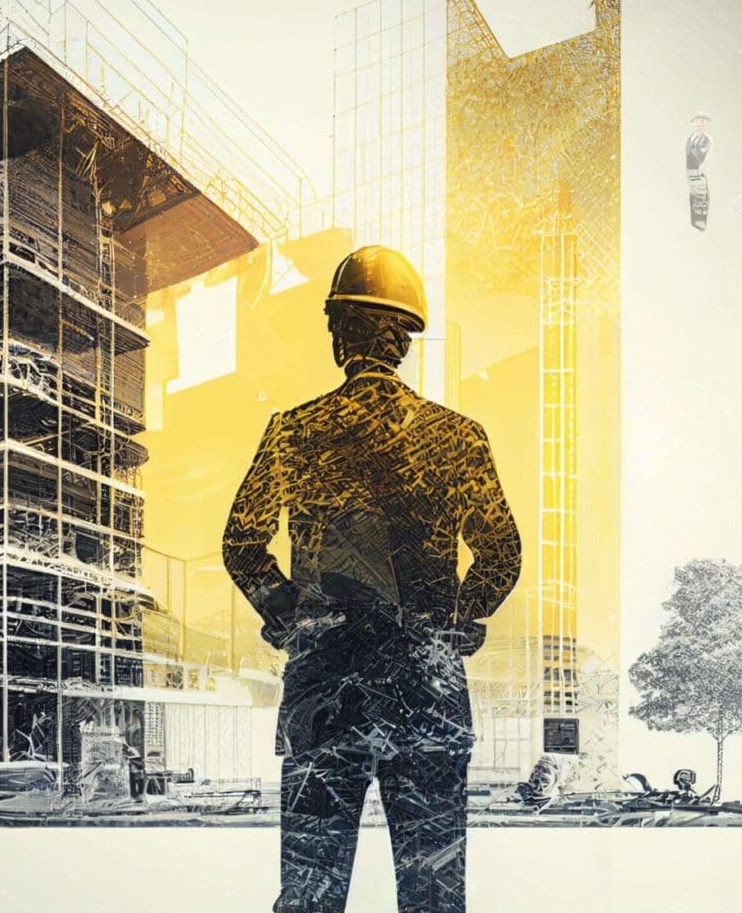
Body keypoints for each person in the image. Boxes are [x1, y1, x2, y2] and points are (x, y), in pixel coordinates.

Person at [222, 246, 522, 913]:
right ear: (405, 341)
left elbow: (242, 542)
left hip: (325, 696)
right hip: (427, 693)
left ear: (338, 335)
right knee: (434, 896)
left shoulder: (291, 433)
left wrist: (291, 615)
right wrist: (458, 620)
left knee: (309, 894)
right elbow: (501, 552)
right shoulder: (457, 437)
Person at [686, 112, 712, 231]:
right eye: (696, 125)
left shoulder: (706, 140)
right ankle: (695, 220)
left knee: (701, 197)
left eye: (700, 125)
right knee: (693, 195)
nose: (697, 128)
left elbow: (702, 156)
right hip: (690, 172)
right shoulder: (691, 139)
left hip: (700, 173)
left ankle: (701, 220)